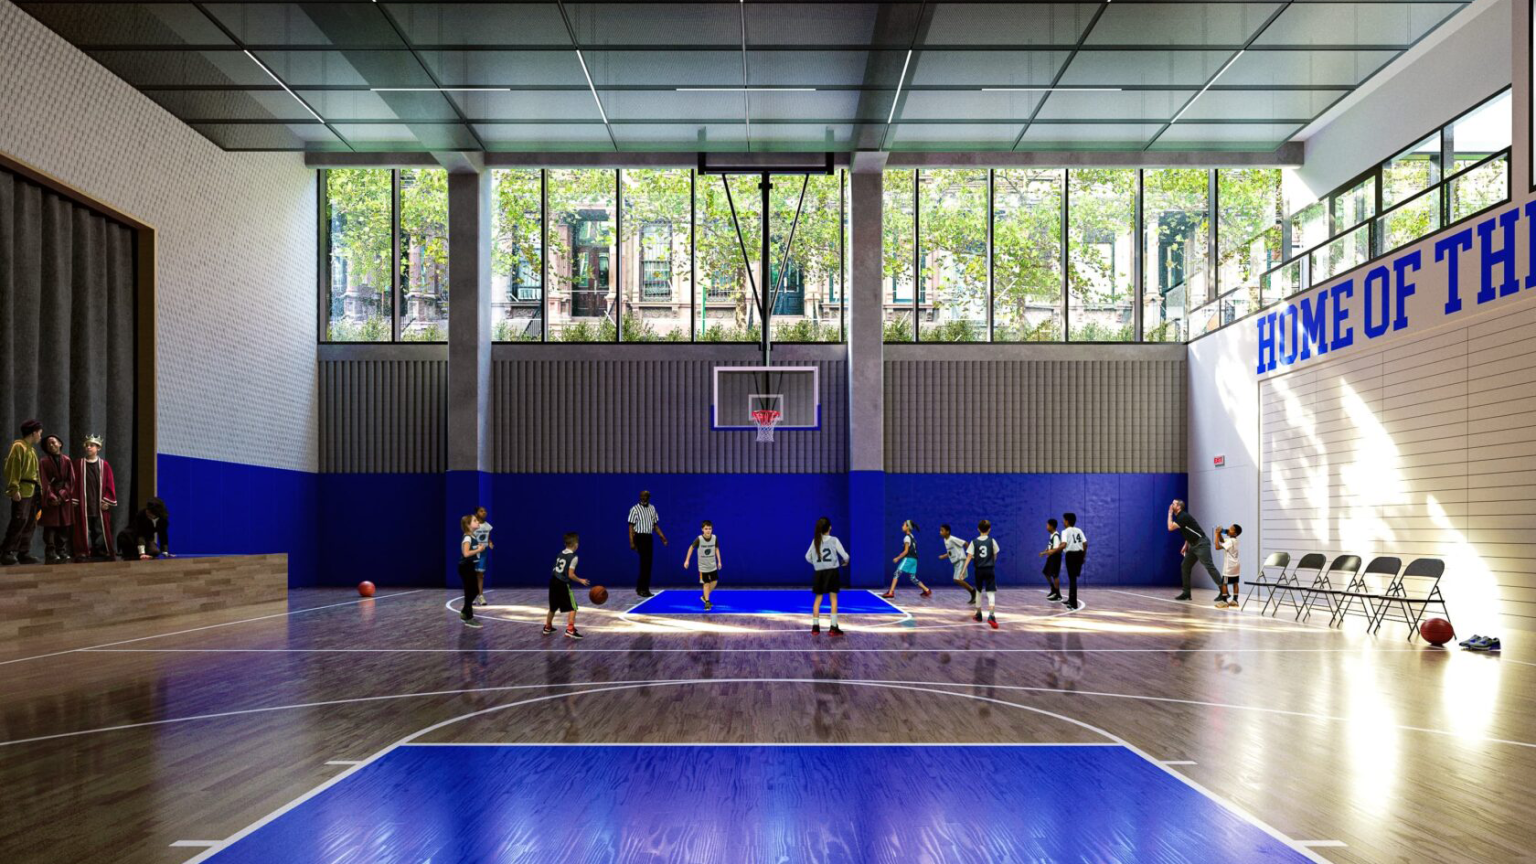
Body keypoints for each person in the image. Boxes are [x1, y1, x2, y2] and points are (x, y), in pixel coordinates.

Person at [1, 420, 44, 566]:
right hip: (23, 489)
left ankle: (23, 551)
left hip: (33, 490)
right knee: (20, 519)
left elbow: (36, 473)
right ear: (33, 432)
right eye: (39, 432)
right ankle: (7, 551)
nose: (40, 436)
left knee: (31, 521)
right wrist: (14, 488)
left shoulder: (31, 450)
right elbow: (13, 468)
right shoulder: (18, 447)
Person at [71, 434, 117, 561]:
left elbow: (110, 484)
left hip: (99, 504)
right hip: (84, 503)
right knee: (84, 528)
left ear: (98, 448)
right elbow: (73, 482)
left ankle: (101, 550)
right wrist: (74, 499)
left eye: (92, 445)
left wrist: (107, 500)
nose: (89, 448)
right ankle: (83, 551)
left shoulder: (104, 465)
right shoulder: (79, 464)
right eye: (87, 445)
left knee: (99, 528)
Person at [1167, 499, 1223, 603]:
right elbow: (1190, 531)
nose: (1171, 505)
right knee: (1185, 565)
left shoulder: (1182, 516)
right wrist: (1186, 544)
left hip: (1201, 544)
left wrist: (1170, 513)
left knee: (1209, 567)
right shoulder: (1181, 517)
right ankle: (1186, 593)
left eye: (1173, 504)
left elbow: (1170, 527)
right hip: (1193, 545)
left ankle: (1224, 592)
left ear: (1178, 507)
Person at [806, 516, 850, 636]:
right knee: (833, 599)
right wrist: (845, 561)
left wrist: (817, 564)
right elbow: (845, 556)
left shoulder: (815, 540)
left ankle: (815, 627)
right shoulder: (834, 540)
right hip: (832, 572)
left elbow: (807, 557)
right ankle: (833, 627)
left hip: (819, 573)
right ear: (830, 527)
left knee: (818, 599)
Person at [37, 435, 75, 564]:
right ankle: (50, 551)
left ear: (60, 443)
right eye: (48, 444)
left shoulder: (67, 460)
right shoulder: (43, 462)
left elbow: (71, 480)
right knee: (50, 526)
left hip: (64, 497)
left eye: (53, 443)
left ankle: (62, 550)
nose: (51, 445)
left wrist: (63, 495)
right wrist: (52, 496)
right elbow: (43, 481)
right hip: (50, 496)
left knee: (64, 525)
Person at [545, 532, 589, 639]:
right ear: (575, 545)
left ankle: (547, 627)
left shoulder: (560, 553)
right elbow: (570, 574)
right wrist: (581, 580)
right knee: (573, 607)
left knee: (553, 607)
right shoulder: (574, 557)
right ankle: (570, 629)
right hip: (562, 583)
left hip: (553, 581)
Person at [627, 490, 667, 598]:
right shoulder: (634, 509)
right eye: (641, 496)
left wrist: (662, 537)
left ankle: (643, 588)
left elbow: (655, 525)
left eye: (645, 496)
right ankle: (642, 589)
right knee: (644, 563)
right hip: (639, 537)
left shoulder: (652, 508)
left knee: (648, 564)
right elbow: (631, 527)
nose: (643, 497)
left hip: (649, 537)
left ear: (648, 497)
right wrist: (631, 542)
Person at [883, 520, 931, 599]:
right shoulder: (912, 537)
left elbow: (906, 551)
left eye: (903, 525)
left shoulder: (907, 538)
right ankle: (926, 590)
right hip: (915, 559)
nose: (902, 526)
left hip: (908, 558)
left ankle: (891, 592)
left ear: (908, 527)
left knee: (896, 573)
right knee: (913, 578)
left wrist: (897, 558)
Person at [966, 519, 1000, 628]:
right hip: (989, 569)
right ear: (989, 529)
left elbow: (969, 557)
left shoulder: (974, 542)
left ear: (978, 529)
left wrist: (963, 570)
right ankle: (991, 616)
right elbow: (995, 554)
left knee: (978, 592)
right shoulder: (992, 541)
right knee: (991, 593)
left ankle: (979, 614)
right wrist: (992, 562)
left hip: (979, 570)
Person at [457, 514, 488, 628]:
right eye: (475, 521)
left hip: (470, 566)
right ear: (468, 525)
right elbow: (465, 554)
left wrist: (478, 548)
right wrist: (478, 549)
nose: (477, 522)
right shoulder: (467, 537)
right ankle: (468, 617)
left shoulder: (473, 537)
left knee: (474, 591)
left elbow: (471, 550)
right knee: (471, 591)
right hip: (465, 567)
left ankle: (466, 613)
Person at [682, 519, 721, 610]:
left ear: (712, 529)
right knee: (706, 583)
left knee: (715, 581)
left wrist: (719, 561)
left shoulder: (715, 538)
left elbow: (717, 549)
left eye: (710, 528)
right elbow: (691, 548)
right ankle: (707, 602)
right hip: (703, 567)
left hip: (712, 565)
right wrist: (687, 560)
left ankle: (704, 596)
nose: (708, 530)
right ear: (702, 529)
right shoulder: (699, 539)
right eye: (706, 528)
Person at [939, 523, 977, 605]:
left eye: (942, 530)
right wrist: (944, 556)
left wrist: (970, 554)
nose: (940, 532)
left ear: (947, 532)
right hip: (955, 562)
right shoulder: (945, 540)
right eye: (940, 530)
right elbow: (950, 552)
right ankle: (973, 591)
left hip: (961, 560)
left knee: (958, 579)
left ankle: (973, 592)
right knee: (957, 580)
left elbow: (965, 543)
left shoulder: (952, 539)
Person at [1060, 512, 1087, 611]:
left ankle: (1073, 604)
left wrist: (1054, 551)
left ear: (1067, 521)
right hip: (1079, 555)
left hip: (1070, 555)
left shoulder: (1065, 531)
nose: (1063, 522)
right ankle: (1070, 599)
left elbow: (1063, 544)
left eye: (1064, 520)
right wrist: (1083, 556)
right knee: (1073, 578)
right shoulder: (1079, 530)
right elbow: (1085, 544)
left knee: (1072, 579)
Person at [1214, 523, 1242, 609]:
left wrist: (1216, 535)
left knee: (1224, 583)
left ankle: (1224, 601)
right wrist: (1220, 534)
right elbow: (1223, 541)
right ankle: (1235, 600)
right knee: (1235, 583)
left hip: (1229, 566)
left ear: (1235, 533)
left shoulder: (1230, 541)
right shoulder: (1234, 540)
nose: (1228, 530)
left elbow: (1217, 547)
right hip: (1236, 565)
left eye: (1231, 529)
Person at [471, 505, 494, 606]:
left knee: (480, 575)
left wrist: (490, 542)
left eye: (485, 511)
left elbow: (488, 537)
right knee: (472, 575)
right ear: (477, 513)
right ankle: (472, 596)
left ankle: (480, 596)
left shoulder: (487, 526)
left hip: (483, 553)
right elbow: (468, 537)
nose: (484, 513)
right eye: (481, 511)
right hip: (473, 552)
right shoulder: (472, 525)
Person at [1037, 518, 1063, 602]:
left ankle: (1058, 594)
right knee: (1046, 573)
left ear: (1051, 526)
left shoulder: (1056, 536)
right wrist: (1044, 552)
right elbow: (1050, 547)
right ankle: (1053, 589)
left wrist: (1046, 553)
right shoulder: (1052, 535)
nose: (1046, 527)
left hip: (1055, 558)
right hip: (1051, 558)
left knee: (1055, 575)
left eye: (1047, 525)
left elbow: (1055, 549)